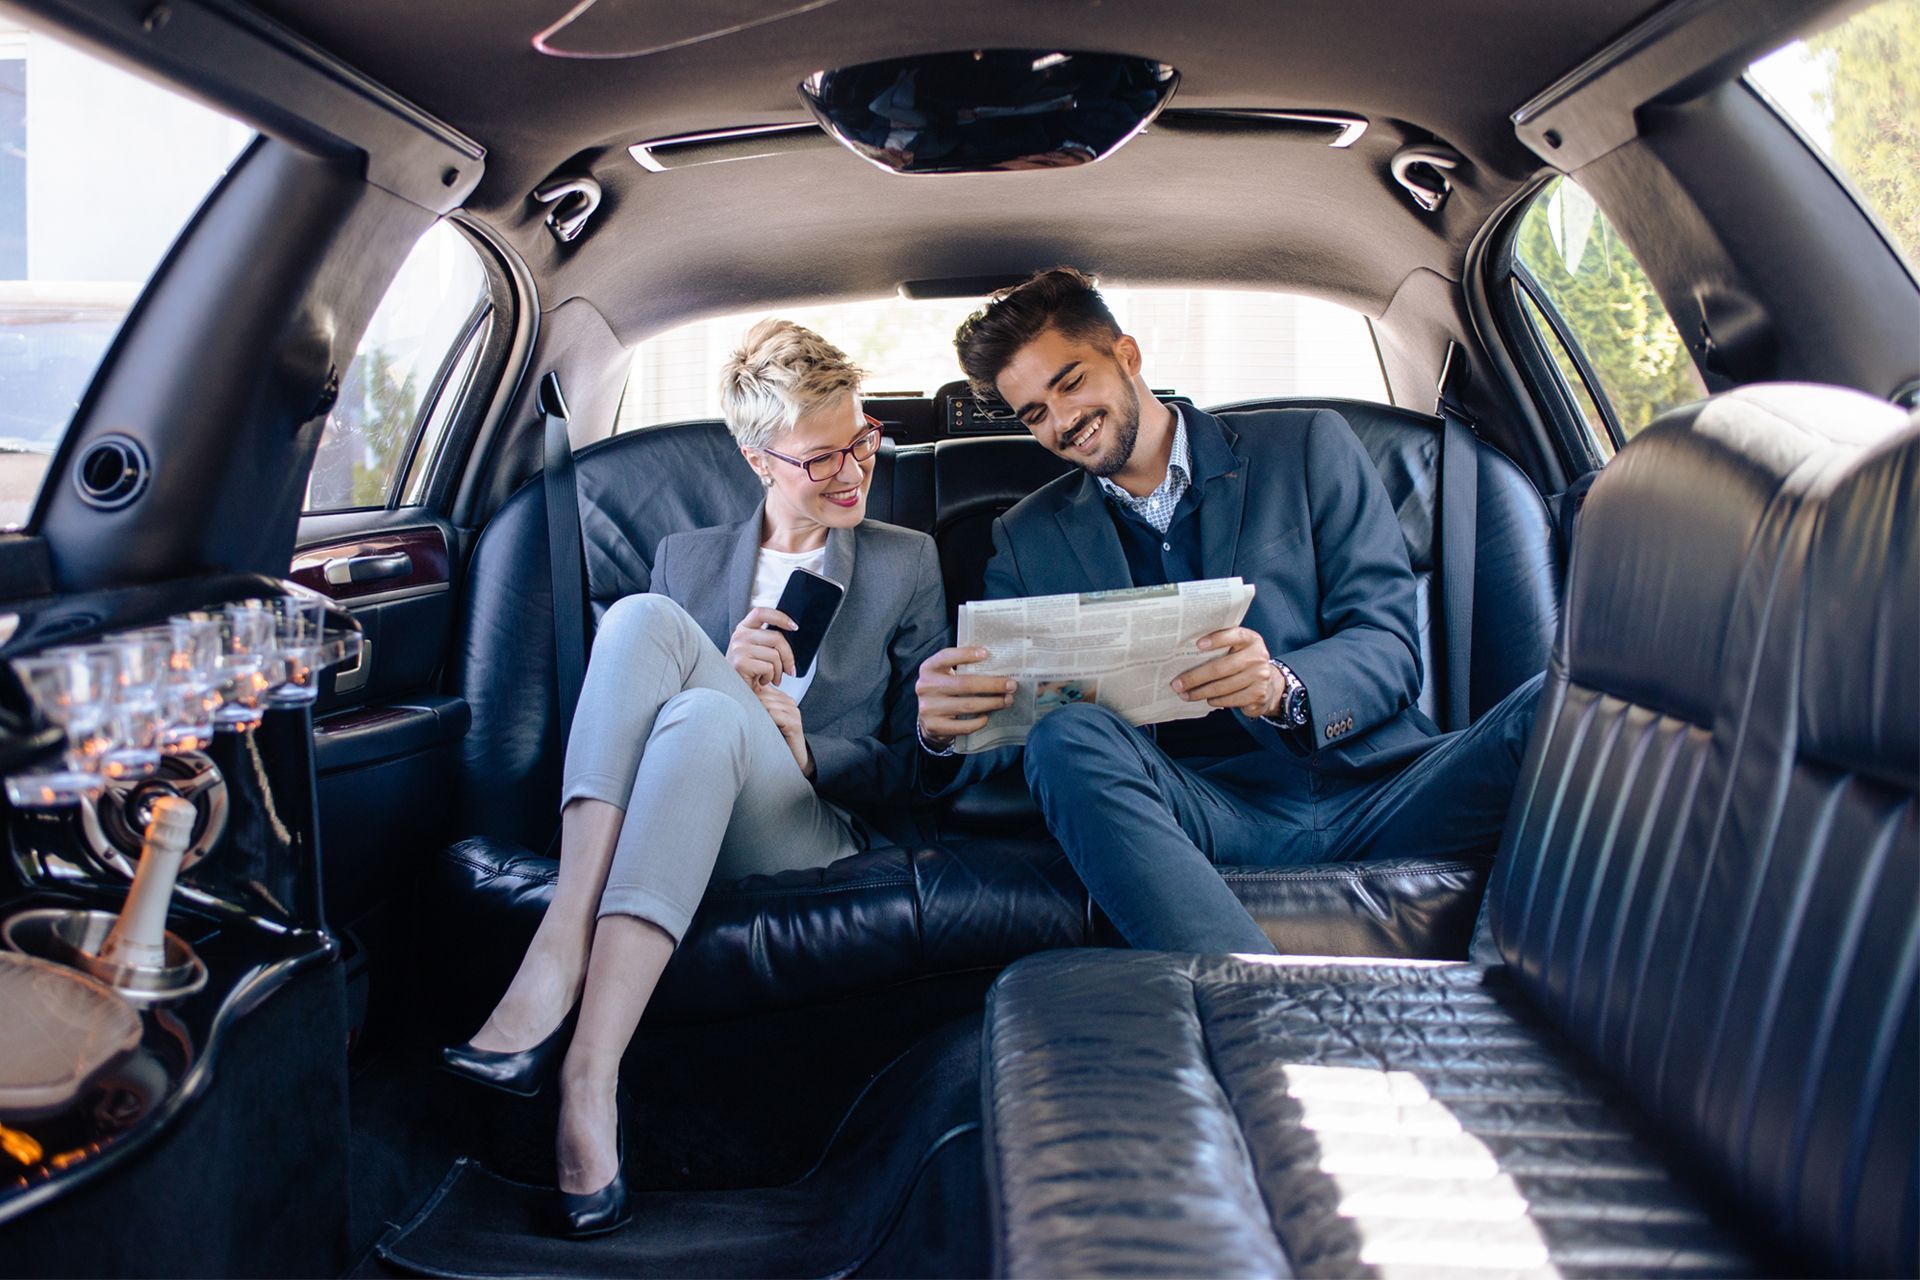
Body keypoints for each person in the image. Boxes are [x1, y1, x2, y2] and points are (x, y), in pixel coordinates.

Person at [441, 319, 948, 1238]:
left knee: (649, 630)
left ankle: (557, 955)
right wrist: (720, 662)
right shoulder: (688, 557)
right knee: (701, 701)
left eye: (863, 441)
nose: (852, 472)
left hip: (811, 828)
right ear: (759, 461)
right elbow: (656, 720)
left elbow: (923, 762)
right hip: (681, 811)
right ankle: (588, 1086)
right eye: (820, 457)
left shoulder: (905, 561)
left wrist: (806, 753)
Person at [915, 267, 1544, 954]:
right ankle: (1256, 1002)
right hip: (1202, 815)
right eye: (1034, 413)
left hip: (1379, 787)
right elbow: (1008, 722)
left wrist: (1281, 686)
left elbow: (1391, 646)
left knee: (1562, 700)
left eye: (1071, 383)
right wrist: (945, 732)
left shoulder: (1306, 448)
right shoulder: (1027, 536)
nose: (1063, 421)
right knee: (1064, 739)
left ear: (1126, 356)